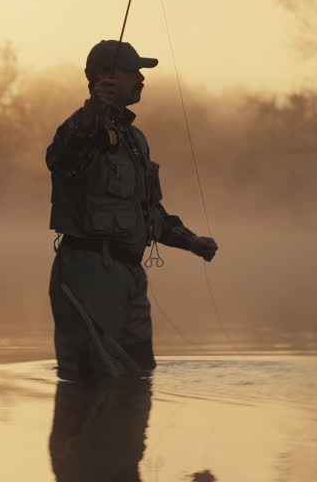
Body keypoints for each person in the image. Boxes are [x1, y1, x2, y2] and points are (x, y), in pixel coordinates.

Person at [46, 39, 219, 382]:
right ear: (104, 78)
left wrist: (191, 241)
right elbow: (59, 158)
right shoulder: (81, 128)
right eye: (133, 72)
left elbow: (148, 212)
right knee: (94, 378)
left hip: (130, 275)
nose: (142, 79)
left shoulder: (135, 139)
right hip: (87, 272)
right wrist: (93, 111)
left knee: (138, 373)